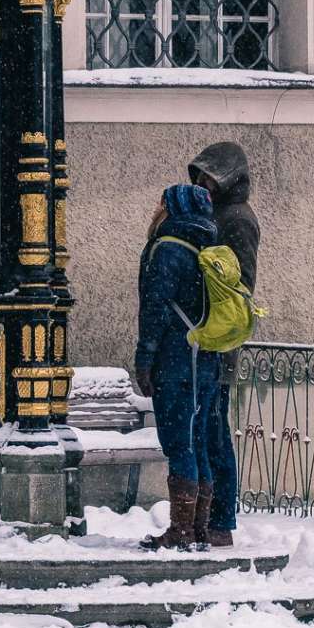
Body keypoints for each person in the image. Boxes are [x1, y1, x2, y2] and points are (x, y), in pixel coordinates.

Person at [135, 184, 221, 551]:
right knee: (197, 438)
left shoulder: (169, 248)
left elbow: (154, 308)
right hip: (206, 357)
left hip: (176, 359)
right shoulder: (210, 246)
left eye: (162, 203)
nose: (157, 209)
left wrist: (144, 357)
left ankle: (181, 531)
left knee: (178, 442)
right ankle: (198, 527)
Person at [188, 142, 261, 549]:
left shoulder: (237, 219)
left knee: (214, 431)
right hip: (211, 339)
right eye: (199, 175)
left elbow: (238, 286)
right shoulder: (218, 215)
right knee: (207, 429)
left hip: (219, 341)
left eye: (210, 176)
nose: (203, 183)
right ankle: (210, 517)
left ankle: (220, 518)